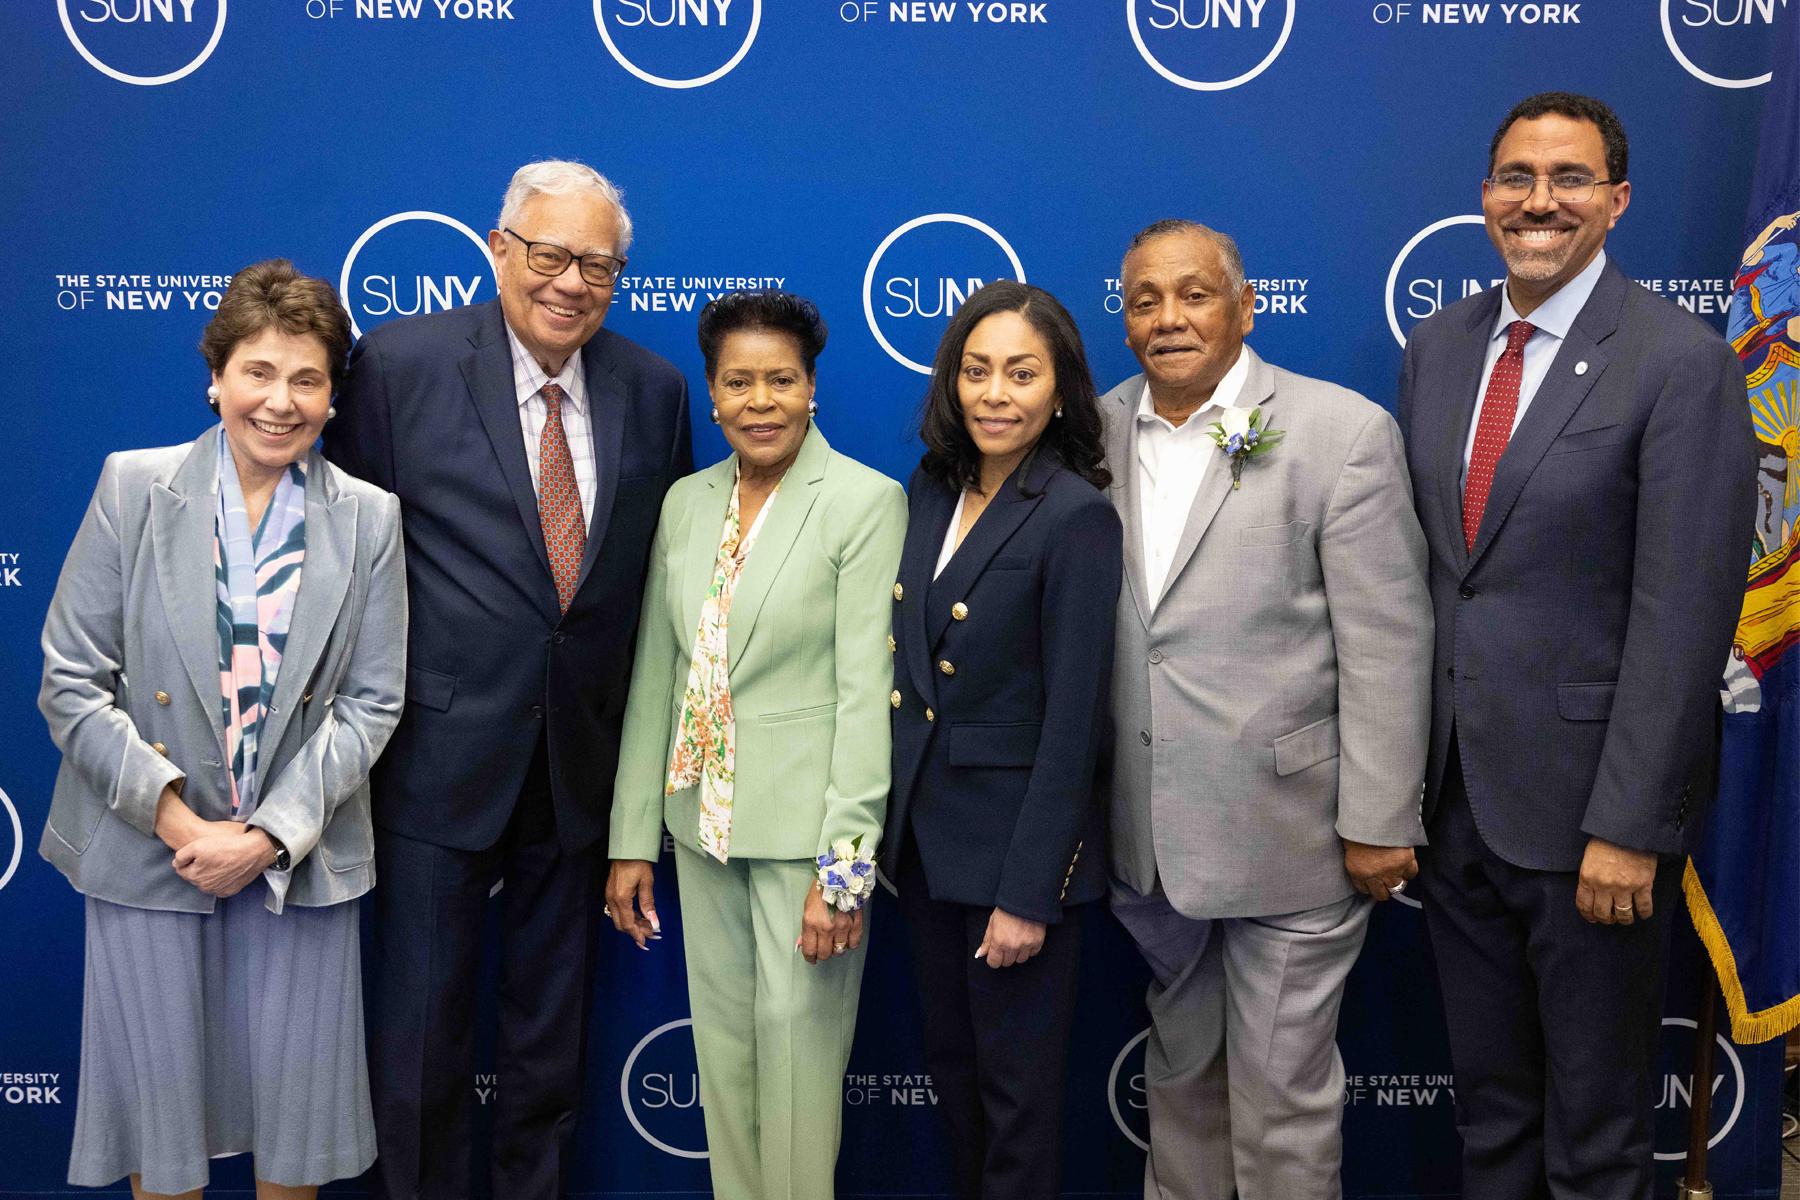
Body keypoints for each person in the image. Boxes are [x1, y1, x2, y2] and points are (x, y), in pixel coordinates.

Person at [1397, 92, 1756, 1200]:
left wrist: (1629, 826)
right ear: (1486, 197)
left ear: (1616, 200)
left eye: (1568, 179)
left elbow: (1684, 612)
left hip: (1592, 827)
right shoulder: (1440, 346)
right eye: (1515, 177)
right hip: (1455, 808)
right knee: (1491, 1114)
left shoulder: (1679, 361)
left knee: (1597, 1139)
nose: (1538, 201)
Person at [321, 160, 693, 1200]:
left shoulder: (655, 392)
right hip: (434, 758)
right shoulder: (396, 367)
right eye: (550, 255)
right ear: (499, 249)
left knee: (550, 1038)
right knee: (422, 1035)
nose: (572, 282)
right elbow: (350, 562)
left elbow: (645, 586)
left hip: (579, 764)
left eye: (599, 265)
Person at [38, 259, 405, 1200]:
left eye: (307, 379)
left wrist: (265, 838)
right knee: (164, 1143)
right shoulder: (135, 486)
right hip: (150, 858)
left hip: (297, 864)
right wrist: (182, 828)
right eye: (258, 372)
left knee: (297, 1141)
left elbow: (372, 702)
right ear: (216, 377)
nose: (279, 401)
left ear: (332, 397)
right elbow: (72, 680)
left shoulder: (368, 518)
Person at [1100, 220, 1433, 1200]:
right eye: (1144, 300)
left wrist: (1378, 819)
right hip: (1148, 845)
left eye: (1194, 294)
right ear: (1124, 324)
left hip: (1295, 839)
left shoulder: (1341, 431)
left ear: (1246, 307)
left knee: (1283, 1098)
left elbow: (1388, 639)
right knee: (1182, 1080)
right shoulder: (1093, 429)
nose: (1169, 318)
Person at [606, 290, 906, 1200]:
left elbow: (866, 697)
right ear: (712, 393)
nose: (761, 400)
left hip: (807, 842)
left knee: (801, 1066)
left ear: (813, 388)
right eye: (740, 382)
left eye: (781, 380)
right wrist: (630, 839)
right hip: (700, 828)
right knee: (726, 1056)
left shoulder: (863, 500)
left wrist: (845, 871)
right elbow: (656, 674)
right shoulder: (686, 504)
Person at [884, 281, 1123, 1200]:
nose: (996, 393)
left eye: (1022, 374)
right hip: (928, 855)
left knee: (1017, 1109)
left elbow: (1074, 726)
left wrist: (1030, 895)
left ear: (1059, 391)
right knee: (956, 1085)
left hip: (1011, 867)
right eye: (977, 371)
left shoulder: (1073, 514)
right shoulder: (932, 487)